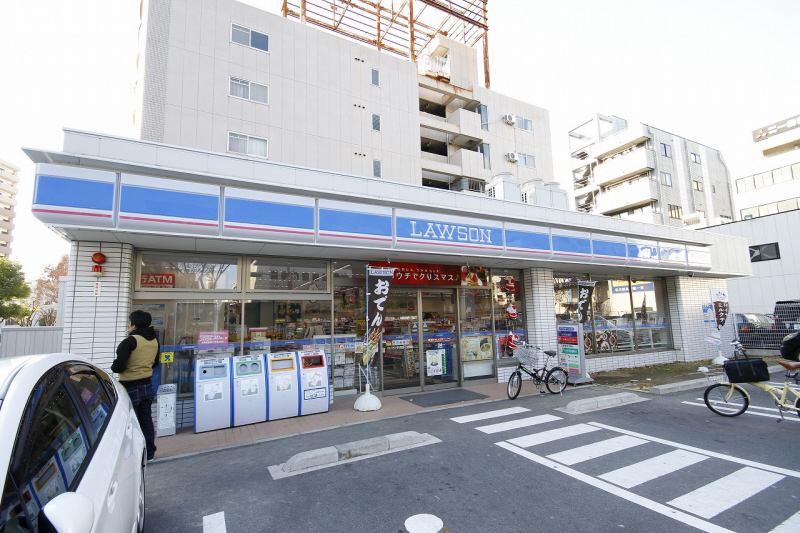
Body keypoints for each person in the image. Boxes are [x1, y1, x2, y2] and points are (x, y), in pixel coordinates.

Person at [111, 310, 160, 460]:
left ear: (133, 325)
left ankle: (135, 454)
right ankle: (149, 452)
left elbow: (118, 366)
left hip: (130, 385)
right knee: (146, 419)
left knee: (132, 421)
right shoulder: (154, 341)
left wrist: (116, 367)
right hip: (147, 384)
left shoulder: (130, 341)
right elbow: (155, 363)